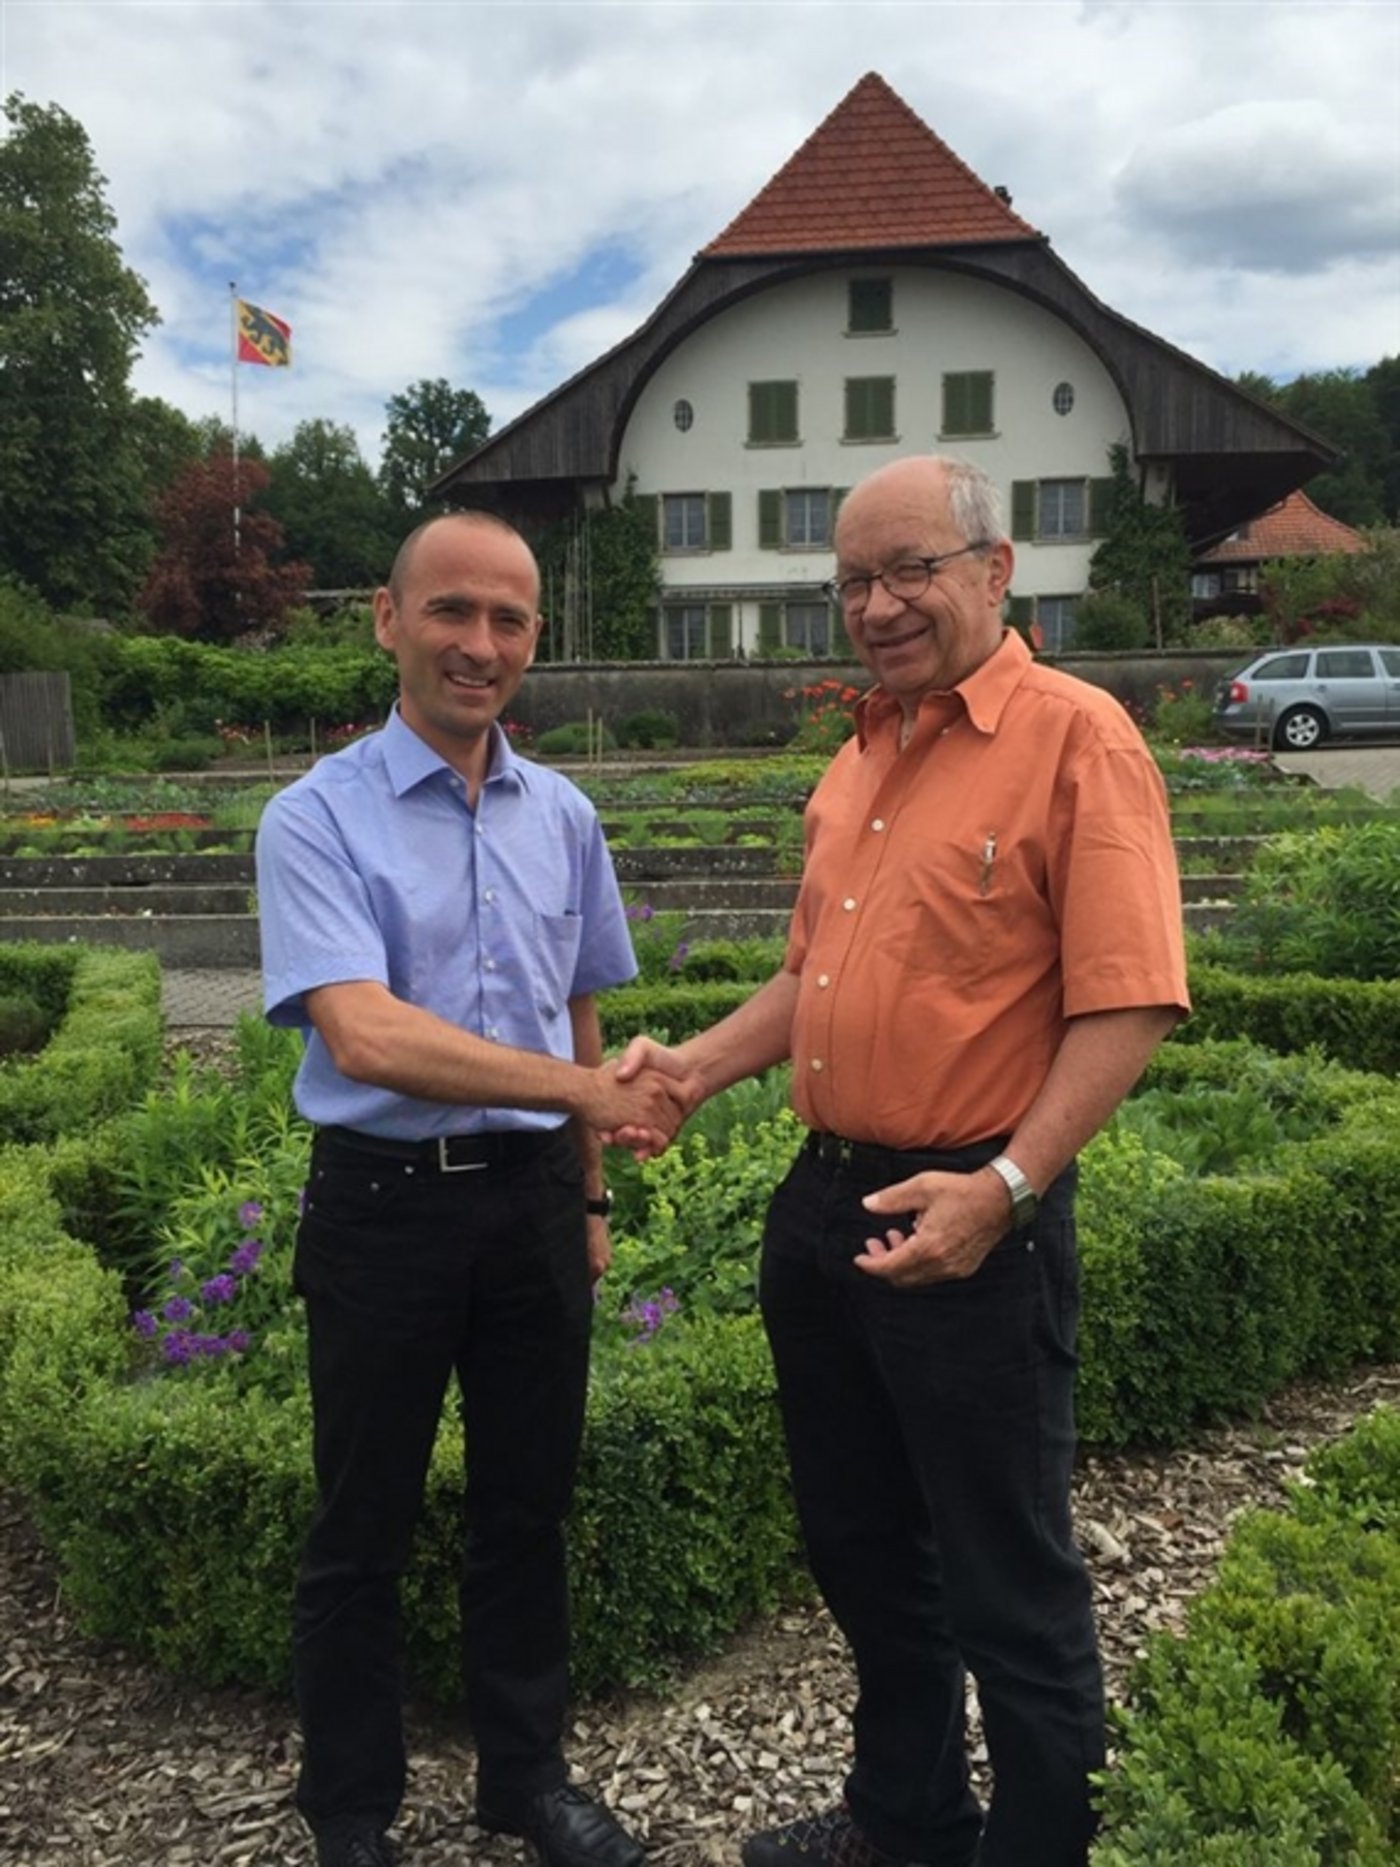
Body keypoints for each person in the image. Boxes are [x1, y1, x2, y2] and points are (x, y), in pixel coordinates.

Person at [615, 455, 1190, 1867]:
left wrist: (1006, 1189)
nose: (877, 606)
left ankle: (1043, 1847)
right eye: (854, 582)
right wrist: (692, 1069)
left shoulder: (1079, 738)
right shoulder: (862, 753)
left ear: (995, 572)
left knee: (1008, 1576)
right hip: (830, 1200)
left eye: (909, 570)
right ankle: (909, 1820)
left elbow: (1131, 999)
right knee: (865, 1551)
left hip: (972, 1209)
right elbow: (809, 977)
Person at [256, 510, 690, 1867]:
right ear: (389, 621)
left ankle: (524, 1779)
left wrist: (590, 1198)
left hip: (531, 1208)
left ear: (535, 639)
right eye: (451, 610)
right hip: (383, 1206)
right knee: (360, 1525)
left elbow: (578, 1002)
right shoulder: (313, 818)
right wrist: (587, 1097)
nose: (479, 645)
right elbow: (365, 1036)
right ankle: (350, 1811)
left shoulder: (564, 815)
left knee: (526, 1507)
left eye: (508, 619)